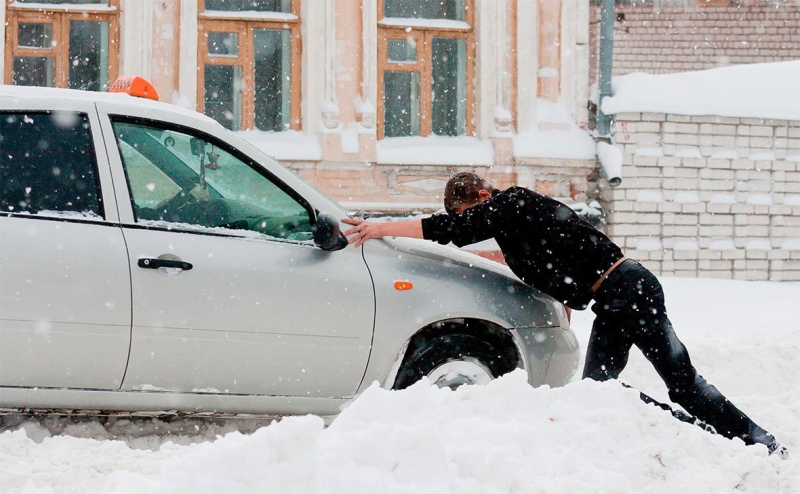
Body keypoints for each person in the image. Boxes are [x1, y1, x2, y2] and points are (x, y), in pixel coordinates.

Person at [342, 171, 787, 458]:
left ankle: (756, 442)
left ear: (482, 195)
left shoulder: (512, 202)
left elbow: (450, 229)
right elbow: (554, 274)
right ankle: (689, 434)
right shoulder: (519, 232)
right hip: (614, 297)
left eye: (471, 212)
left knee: (682, 381)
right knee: (600, 392)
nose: (471, 223)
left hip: (628, 287)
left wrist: (380, 227)